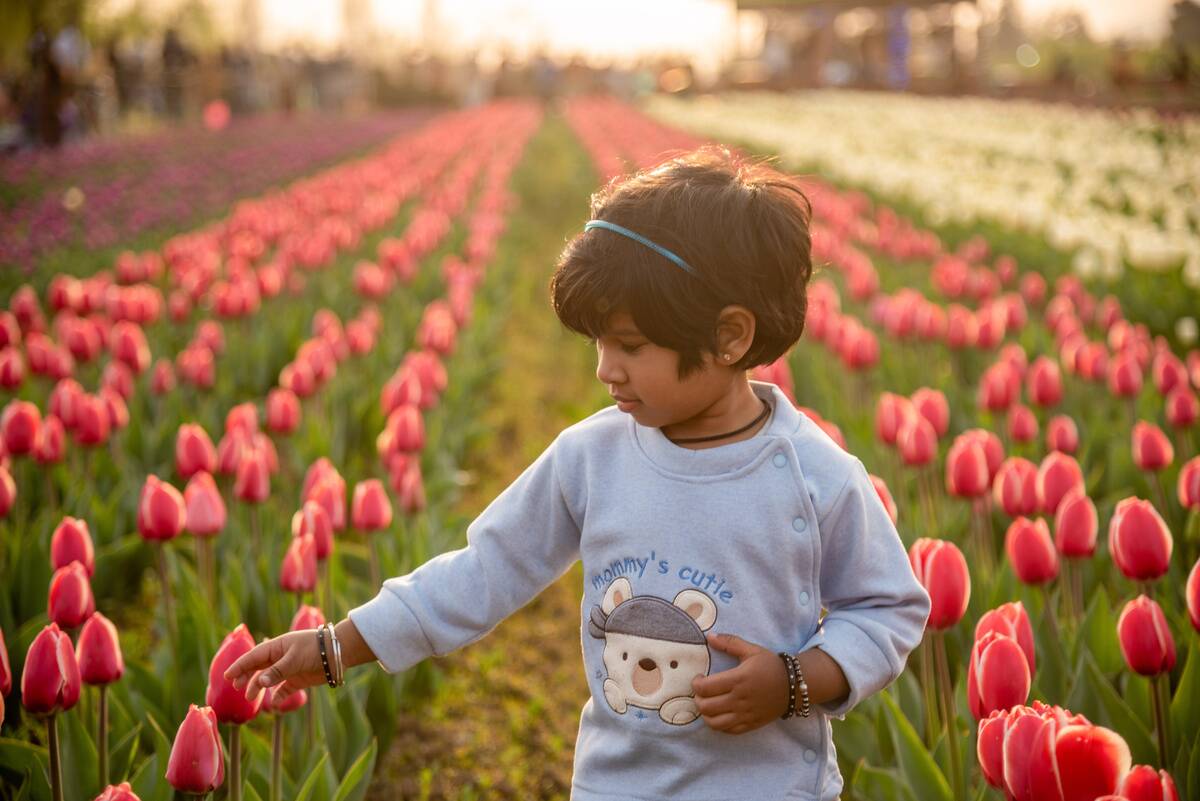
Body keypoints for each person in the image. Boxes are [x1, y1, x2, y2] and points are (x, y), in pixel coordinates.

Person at [223, 146, 931, 801]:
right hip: (618, 783)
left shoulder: (815, 477)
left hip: (770, 784)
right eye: (598, 343)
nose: (604, 369)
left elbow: (889, 606)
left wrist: (797, 682)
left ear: (729, 335)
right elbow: (486, 567)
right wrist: (342, 642)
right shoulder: (592, 458)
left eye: (629, 345)